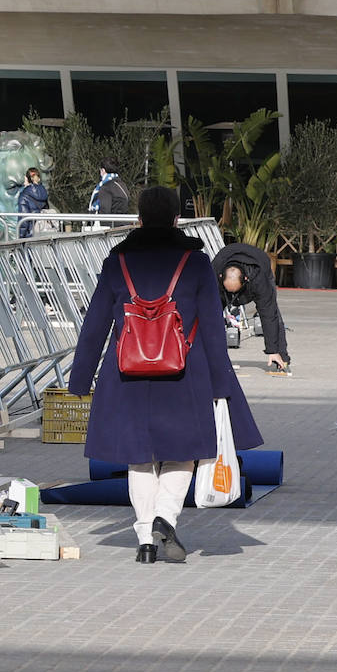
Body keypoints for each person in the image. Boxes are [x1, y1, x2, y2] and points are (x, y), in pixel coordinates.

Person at [67, 186, 263, 564]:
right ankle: (164, 517)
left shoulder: (116, 263)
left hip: (125, 372)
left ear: (138, 219)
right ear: (177, 219)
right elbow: (211, 327)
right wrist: (221, 382)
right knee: (182, 453)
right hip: (185, 371)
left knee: (139, 458)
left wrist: (80, 379)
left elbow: (93, 326)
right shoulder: (195, 263)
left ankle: (144, 540)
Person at [212, 242, 291, 371]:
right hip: (226, 262)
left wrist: (272, 350)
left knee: (273, 312)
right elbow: (207, 316)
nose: (233, 295)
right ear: (221, 277)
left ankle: (281, 358)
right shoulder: (214, 274)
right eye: (230, 291)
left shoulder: (259, 280)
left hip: (259, 265)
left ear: (245, 280)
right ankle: (213, 358)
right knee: (212, 315)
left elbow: (269, 315)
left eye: (235, 291)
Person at [16, 166, 48, 238]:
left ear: (27, 179)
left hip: (30, 234)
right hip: (43, 231)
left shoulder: (24, 196)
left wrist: (20, 237)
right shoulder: (44, 193)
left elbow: (23, 219)